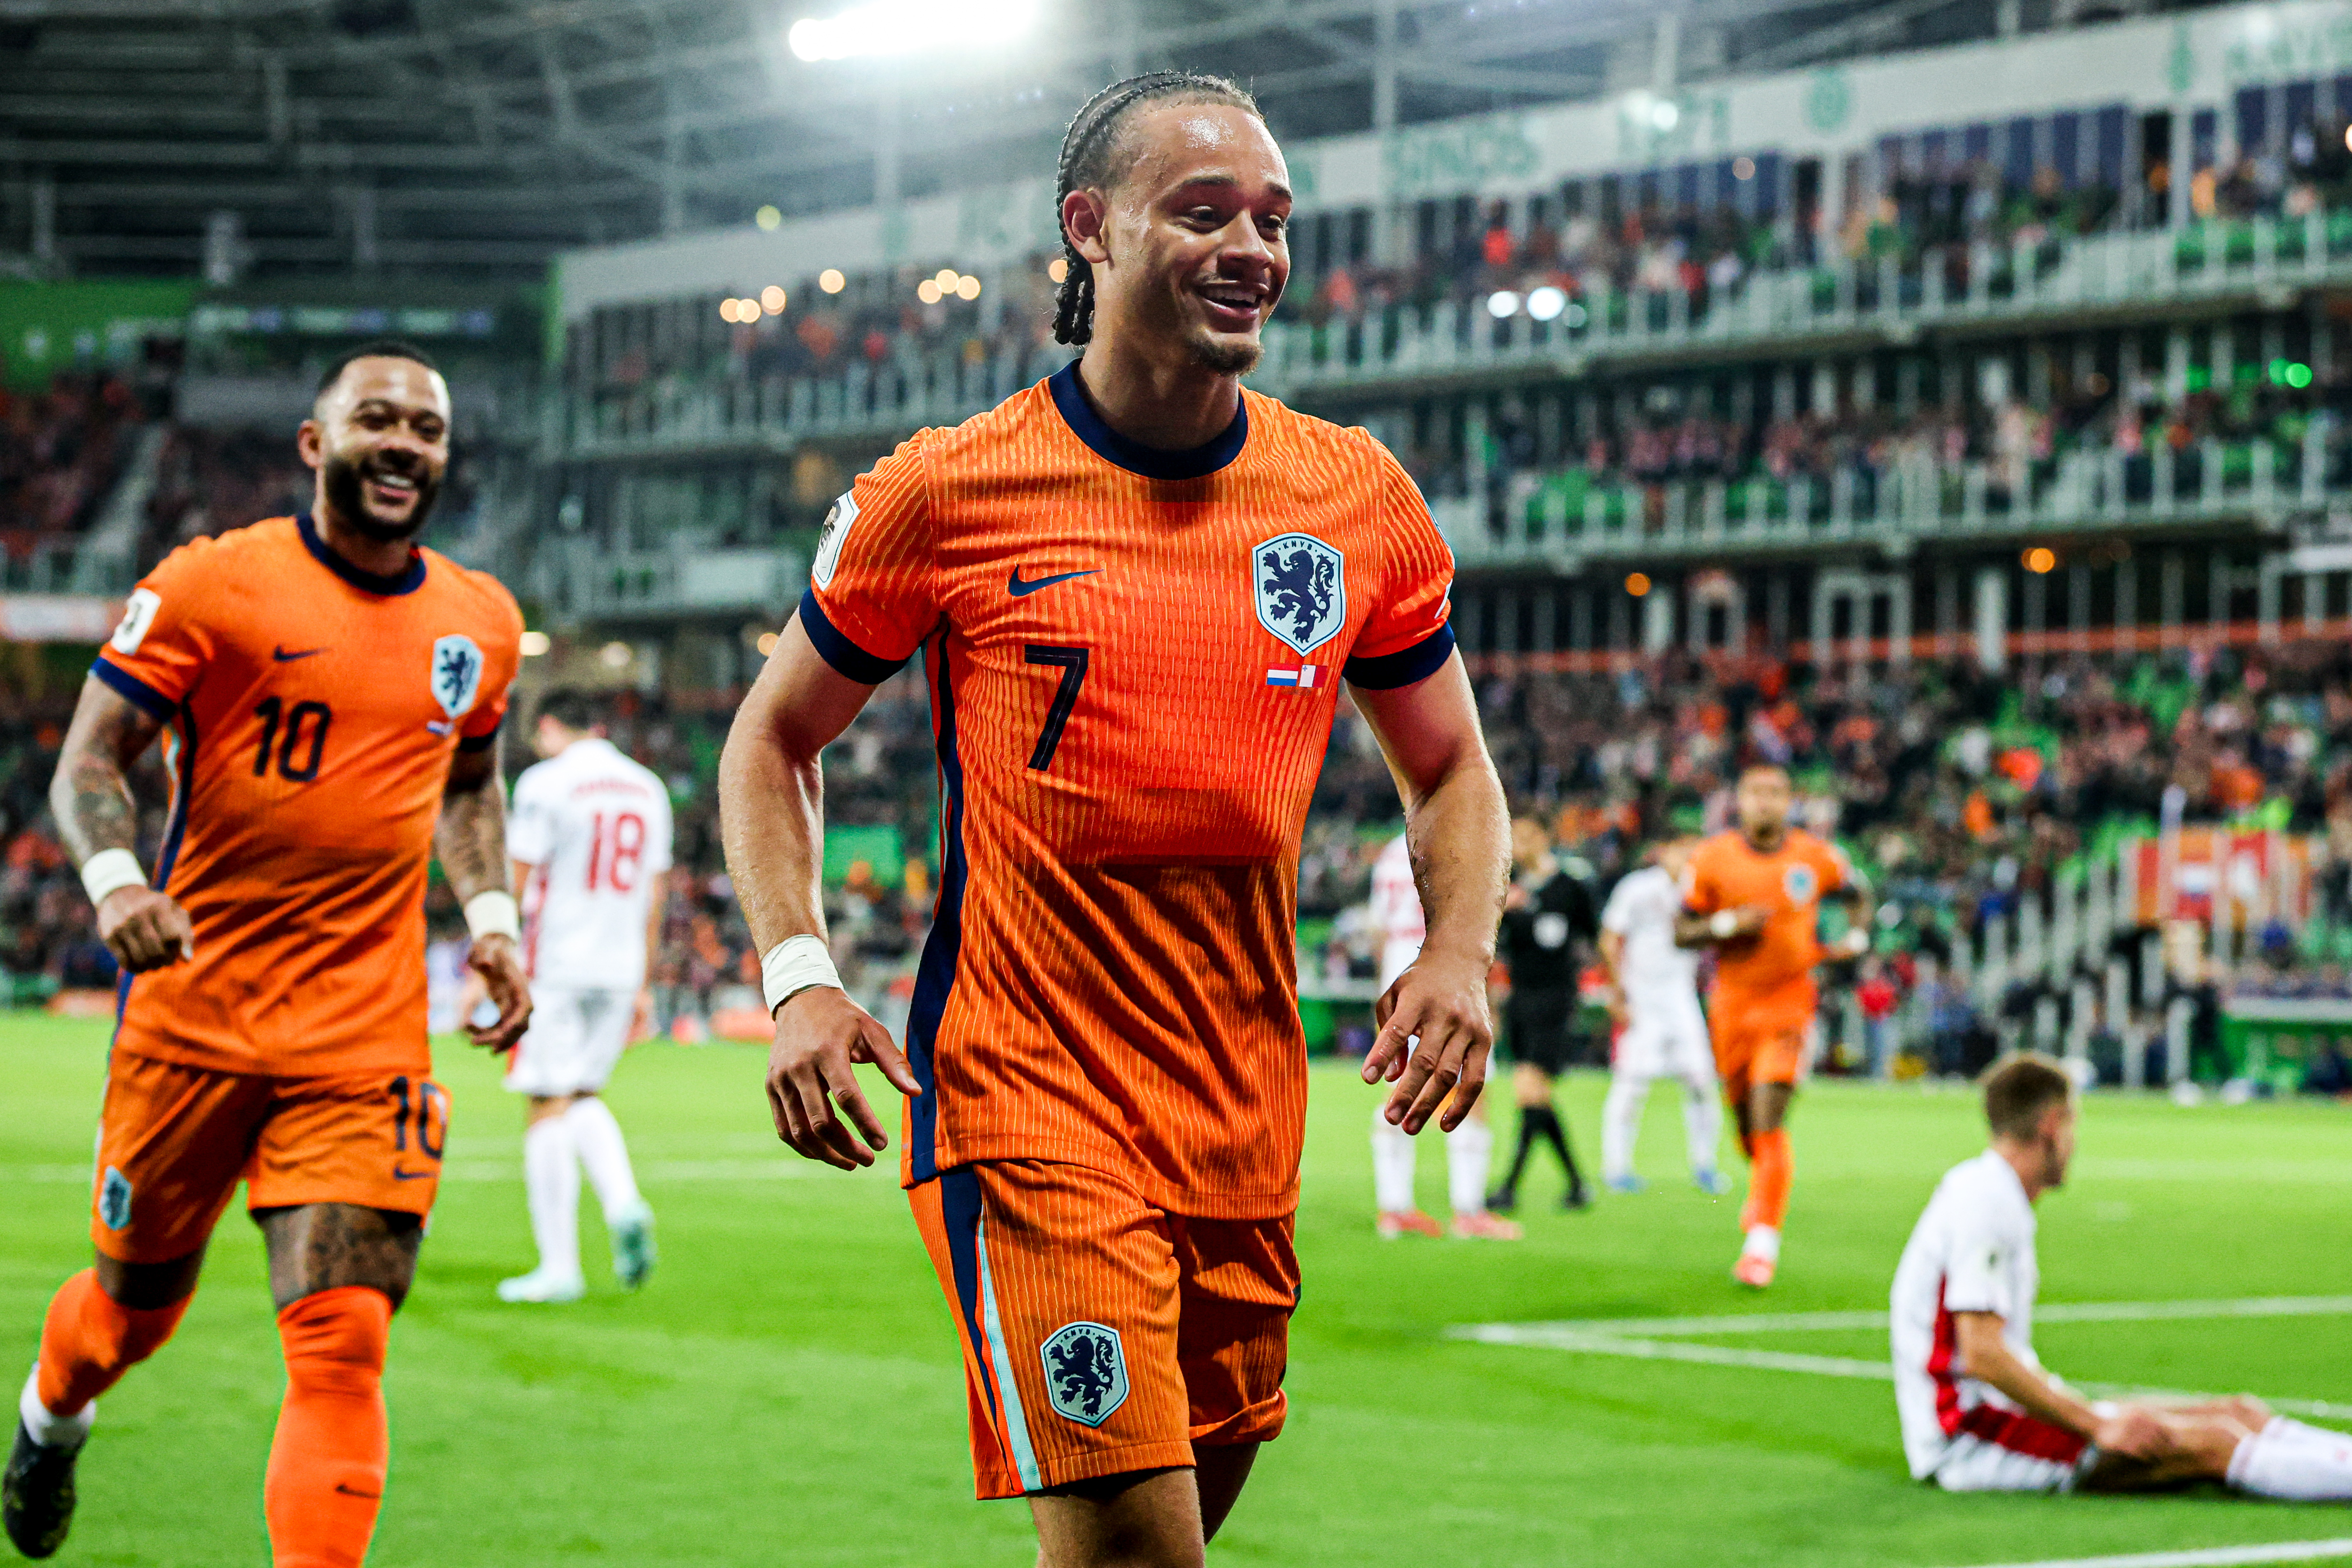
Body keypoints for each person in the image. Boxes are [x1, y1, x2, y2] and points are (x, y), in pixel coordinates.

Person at [717, 72, 1509, 1568]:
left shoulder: (1353, 501)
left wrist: (1458, 949)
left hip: (1240, 1118)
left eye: (1272, 217)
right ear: (1088, 229)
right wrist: (798, 974)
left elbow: (1452, 768)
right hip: (1026, 1101)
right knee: (1143, 1559)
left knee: (1165, 1534)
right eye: (1201, 209)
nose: (1252, 246)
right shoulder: (944, 492)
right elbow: (775, 738)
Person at [3, 341, 528, 1565]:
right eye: (378, 420)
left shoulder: (482, 624)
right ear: (315, 445)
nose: (405, 443)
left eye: (429, 428)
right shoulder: (211, 588)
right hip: (191, 1021)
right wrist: (117, 879)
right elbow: (89, 760)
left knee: (343, 1333)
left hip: (363, 1035)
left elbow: (470, 783)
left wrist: (494, 923)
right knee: (131, 1318)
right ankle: (51, 1411)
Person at [1892, 1052, 2352, 1500]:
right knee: (2214, 1441)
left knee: (2237, 1412)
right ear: (2052, 1125)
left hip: (1993, 1413)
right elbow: (1982, 1354)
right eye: (2072, 1126)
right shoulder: (1987, 1199)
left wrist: (2095, 1414)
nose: (2074, 1143)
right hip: (1969, 1435)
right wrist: (2098, 1423)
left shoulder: (1989, 1190)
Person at [494, 688, 672, 1304]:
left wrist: (485, 968)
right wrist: (645, 982)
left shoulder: (544, 782)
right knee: (583, 1095)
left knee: (545, 1102)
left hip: (557, 964)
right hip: (620, 966)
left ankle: (559, 1268)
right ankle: (622, 1203)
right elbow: (655, 895)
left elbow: (516, 879)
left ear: (548, 726)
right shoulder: (647, 788)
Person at [1676, 765, 1869, 1289]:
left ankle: (1761, 1243)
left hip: (1790, 1003)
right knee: (1744, 1126)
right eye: (1755, 792)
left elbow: (1857, 894)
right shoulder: (1711, 858)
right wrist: (1726, 925)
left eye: (1775, 794)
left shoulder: (1815, 857)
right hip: (1731, 1005)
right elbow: (1681, 930)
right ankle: (1763, 1189)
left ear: (1789, 802)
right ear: (1739, 800)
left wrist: (1856, 940)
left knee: (1769, 1116)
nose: (1765, 802)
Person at [1367, 831, 1519, 1240]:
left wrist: (1383, 989)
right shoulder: (1459, 831)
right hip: (1443, 963)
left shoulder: (1390, 850)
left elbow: (1377, 928)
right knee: (1471, 1079)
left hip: (1400, 967)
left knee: (1401, 1083)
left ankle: (1394, 1208)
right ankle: (1469, 1212)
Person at [1596, 836, 1728, 1196]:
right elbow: (1610, 938)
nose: (1686, 859)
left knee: (1702, 1081)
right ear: (1664, 851)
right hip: (1642, 997)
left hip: (1681, 998)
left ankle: (1705, 1164)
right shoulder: (1637, 887)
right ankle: (1616, 1167)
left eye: (1692, 853)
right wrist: (1617, 990)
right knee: (1632, 1083)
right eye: (1681, 851)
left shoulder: (1698, 891)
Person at [1483, 817, 1595, 1214]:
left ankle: (1509, 1186)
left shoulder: (1570, 887)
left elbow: (1594, 936)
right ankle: (1578, 1184)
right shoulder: (1508, 888)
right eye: (1515, 836)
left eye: (1528, 835)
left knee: (1529, 1091)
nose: (1520, 844)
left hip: (1556, 999)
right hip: (1521, 999)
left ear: (1545, 839)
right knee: (1536, 1097)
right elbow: (1494, 947)